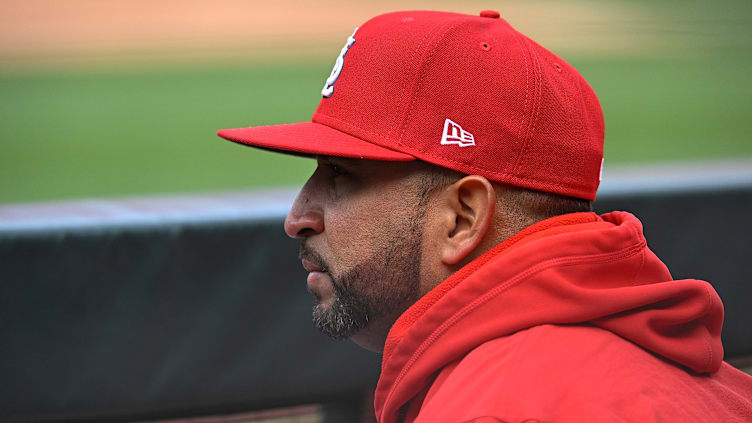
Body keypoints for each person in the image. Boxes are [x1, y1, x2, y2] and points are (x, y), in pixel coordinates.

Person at [217, 10, 752, 423]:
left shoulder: (494, 407)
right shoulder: (724, 391)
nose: (299, 216)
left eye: (342, 176)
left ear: (463, 217)